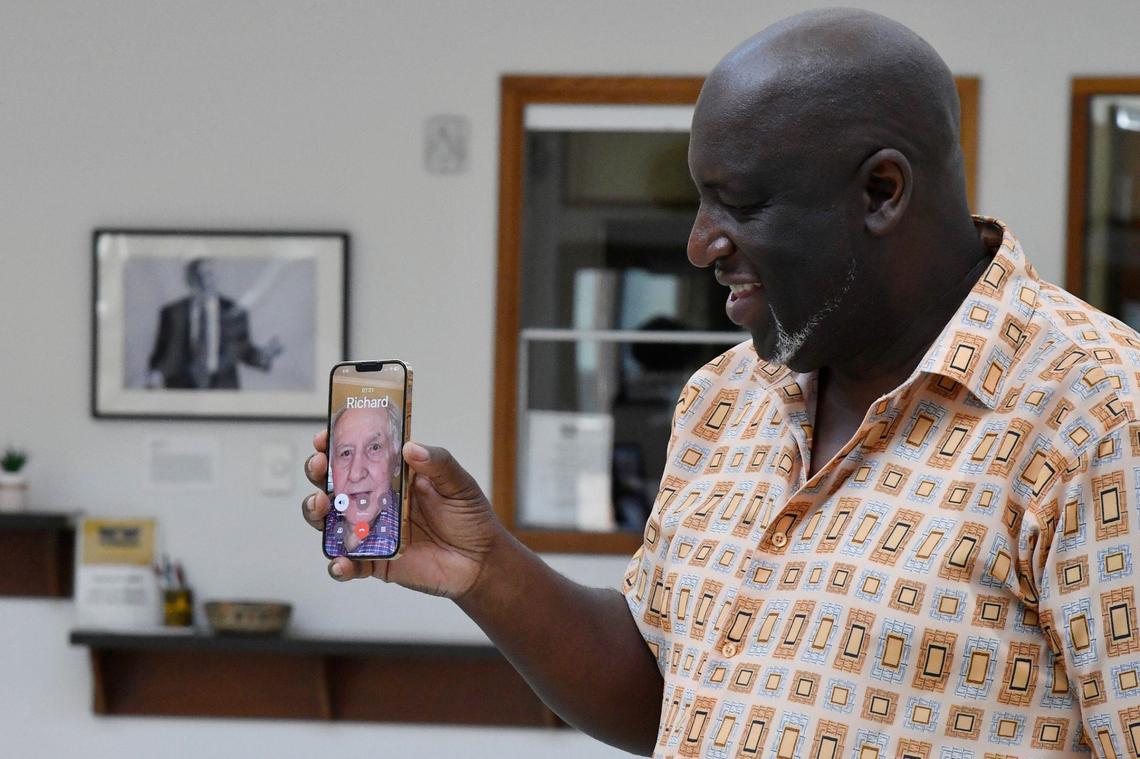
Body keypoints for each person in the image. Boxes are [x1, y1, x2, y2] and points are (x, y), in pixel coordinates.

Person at [301, 9, 1140, 757]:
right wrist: (483, 568)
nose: (701, 244)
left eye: (738, 204)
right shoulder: (726, 396)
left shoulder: (1099, 418)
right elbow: (664, 695)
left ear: (881, 192)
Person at [147, 257, 284, 389]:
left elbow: (243, 350)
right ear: (190, 280)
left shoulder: (233, 311)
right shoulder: (173, 313)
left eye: (209, 274)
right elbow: (162, 354)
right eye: (199, 276)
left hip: (223, 388)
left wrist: (264, 356)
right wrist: (155, 374)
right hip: (182, 388)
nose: (206, 281)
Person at [324, 403, 402, 558]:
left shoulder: (414, 531)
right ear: (331, 464)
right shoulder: (324, 514)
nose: (356, 474)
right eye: (346, 453)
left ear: (397, 462)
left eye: (374, 448)